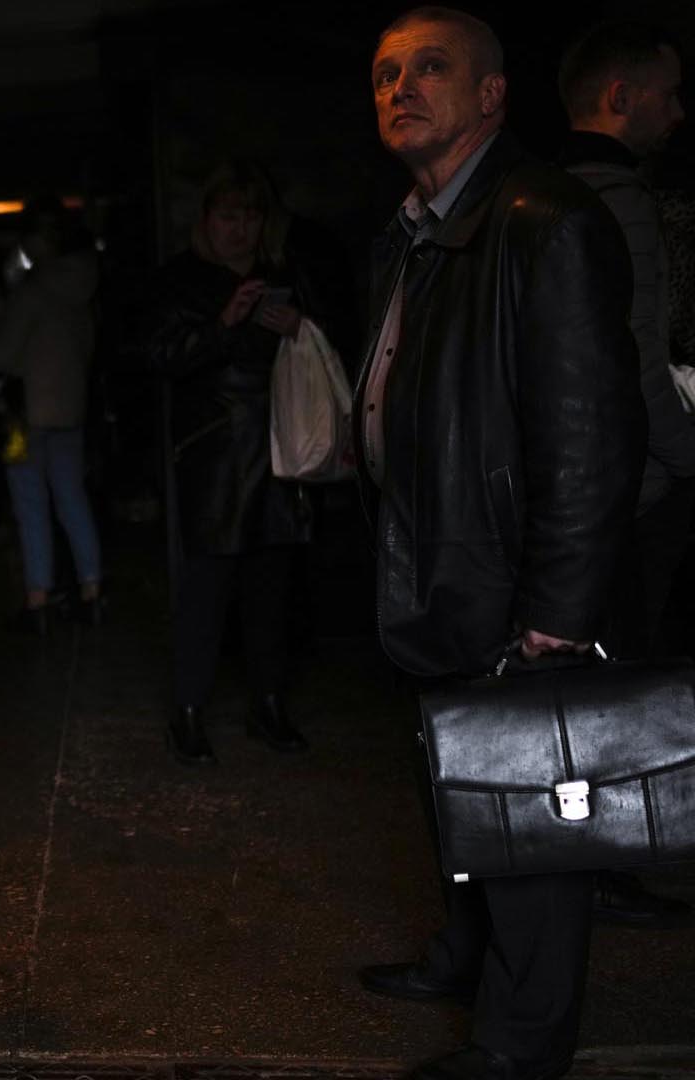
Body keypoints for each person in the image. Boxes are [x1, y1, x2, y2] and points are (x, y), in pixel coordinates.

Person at [349, 10, 644, 1079]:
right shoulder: (419, 230)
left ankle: (520, 1050)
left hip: (511, 588)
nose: (401, 88)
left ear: (492, 96)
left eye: (431, 68)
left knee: (531, 828)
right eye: (385, 74)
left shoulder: (540, 221)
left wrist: (559, 615)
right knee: (458, 795)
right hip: (443, 571)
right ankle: (464, 961)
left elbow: (592, 434)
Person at [555, 20, 695, 931]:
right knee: (624, 682)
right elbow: (642, 368)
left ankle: (581, 859)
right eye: (667, 93)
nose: (678, 114)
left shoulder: (536, 193)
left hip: (563, 488)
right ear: (620, 97)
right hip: (627, 488)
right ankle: (603, 864)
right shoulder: (620, 197)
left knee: (580, 686)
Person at [147, 159, 321, 764]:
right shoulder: (181, 280)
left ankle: (269, 705)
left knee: (272, 592)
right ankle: (188, 712)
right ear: (206, 220)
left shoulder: (284, 273)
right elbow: (162, 357)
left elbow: (327, 350)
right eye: (229, 216)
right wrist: (225, 322)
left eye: (250, 216)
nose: (240, 229)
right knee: (204, 595)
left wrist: (297, 324)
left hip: (279, 451)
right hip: (214, 458)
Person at [0, 200, 106, 632]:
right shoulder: (86, 286)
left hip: (27, 411)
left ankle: (38, 598)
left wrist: (1, 308)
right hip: (70, 407)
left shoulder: (32, 289)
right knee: (73, 498)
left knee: (31, 504)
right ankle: (91, 590)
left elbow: (2, 354)